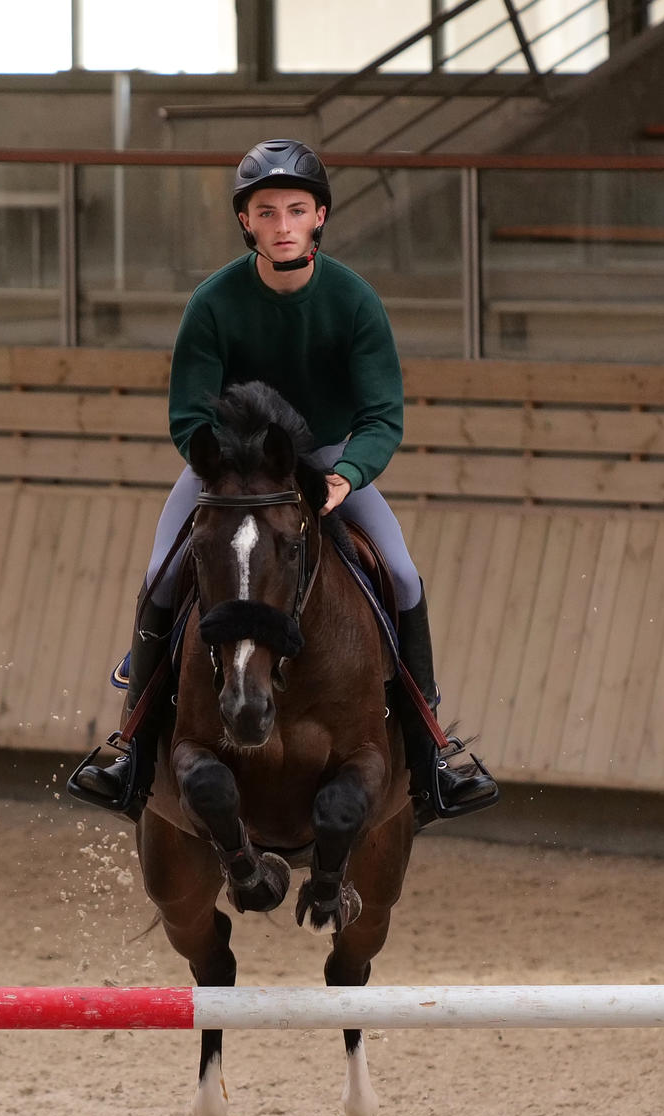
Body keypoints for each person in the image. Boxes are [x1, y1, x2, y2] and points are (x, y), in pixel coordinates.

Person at [66, 138, 497, 823]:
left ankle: (433, 751)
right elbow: (188, 413)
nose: (283, 224)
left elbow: (383, 415)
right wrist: (222, 464)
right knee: (160, 572)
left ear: (320, 216)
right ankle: (130, 749)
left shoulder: (353, 301)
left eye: (297, 209)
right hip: (237, 470)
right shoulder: (213, 302)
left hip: (327, 461)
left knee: (405, 576)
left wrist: (347, 475)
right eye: (267, 212)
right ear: (248, 223)